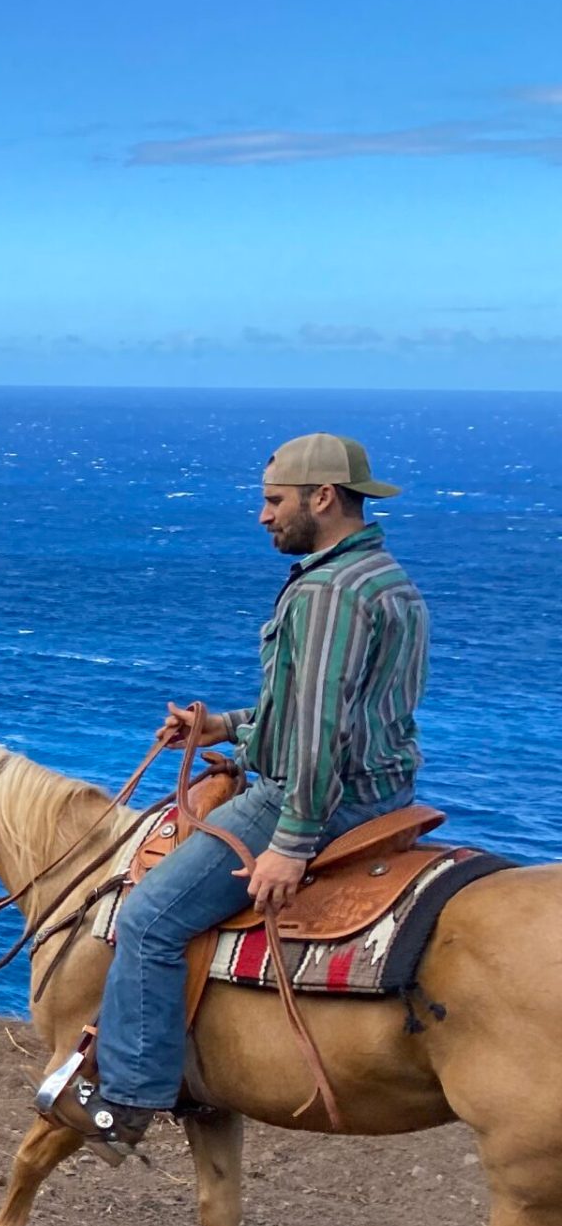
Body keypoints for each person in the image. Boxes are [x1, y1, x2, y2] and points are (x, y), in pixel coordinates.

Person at [45, 433, 429, 1145]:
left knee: (149, 918)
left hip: (313, 796)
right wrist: (222, 726)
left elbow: (316, 735)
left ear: (323, 497)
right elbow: (337, 711)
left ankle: (130, 1097)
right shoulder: (384, 578)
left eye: (274, 500)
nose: (263, 516)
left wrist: (291, 840)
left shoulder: (325, 595)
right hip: (385, 788)